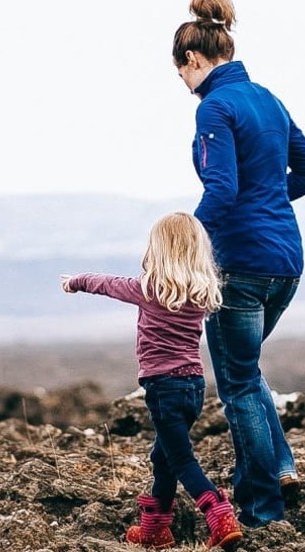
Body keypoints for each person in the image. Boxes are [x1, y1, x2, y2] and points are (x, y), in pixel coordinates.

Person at [172, 0, 305, 527]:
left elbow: (220, 190)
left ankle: (262, 510)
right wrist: (270, 202)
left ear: (191, 62)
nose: (184, 88)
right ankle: (281, 465)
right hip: (286, 262)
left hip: (238, 266)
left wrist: (182, 242)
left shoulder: (215, 107)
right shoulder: (267, 99)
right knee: (245, 369)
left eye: (180, 75)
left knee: (236, 385)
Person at [61, 212, 245, 549]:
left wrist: (76, 281)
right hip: (194, 386)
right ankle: (154, 530)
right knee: (163, 457)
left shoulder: (147, 289)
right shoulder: (202, 291)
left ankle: (219, 515)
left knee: (181, 460)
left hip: (163, 388)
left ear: (158, 250)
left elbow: (106, 283)